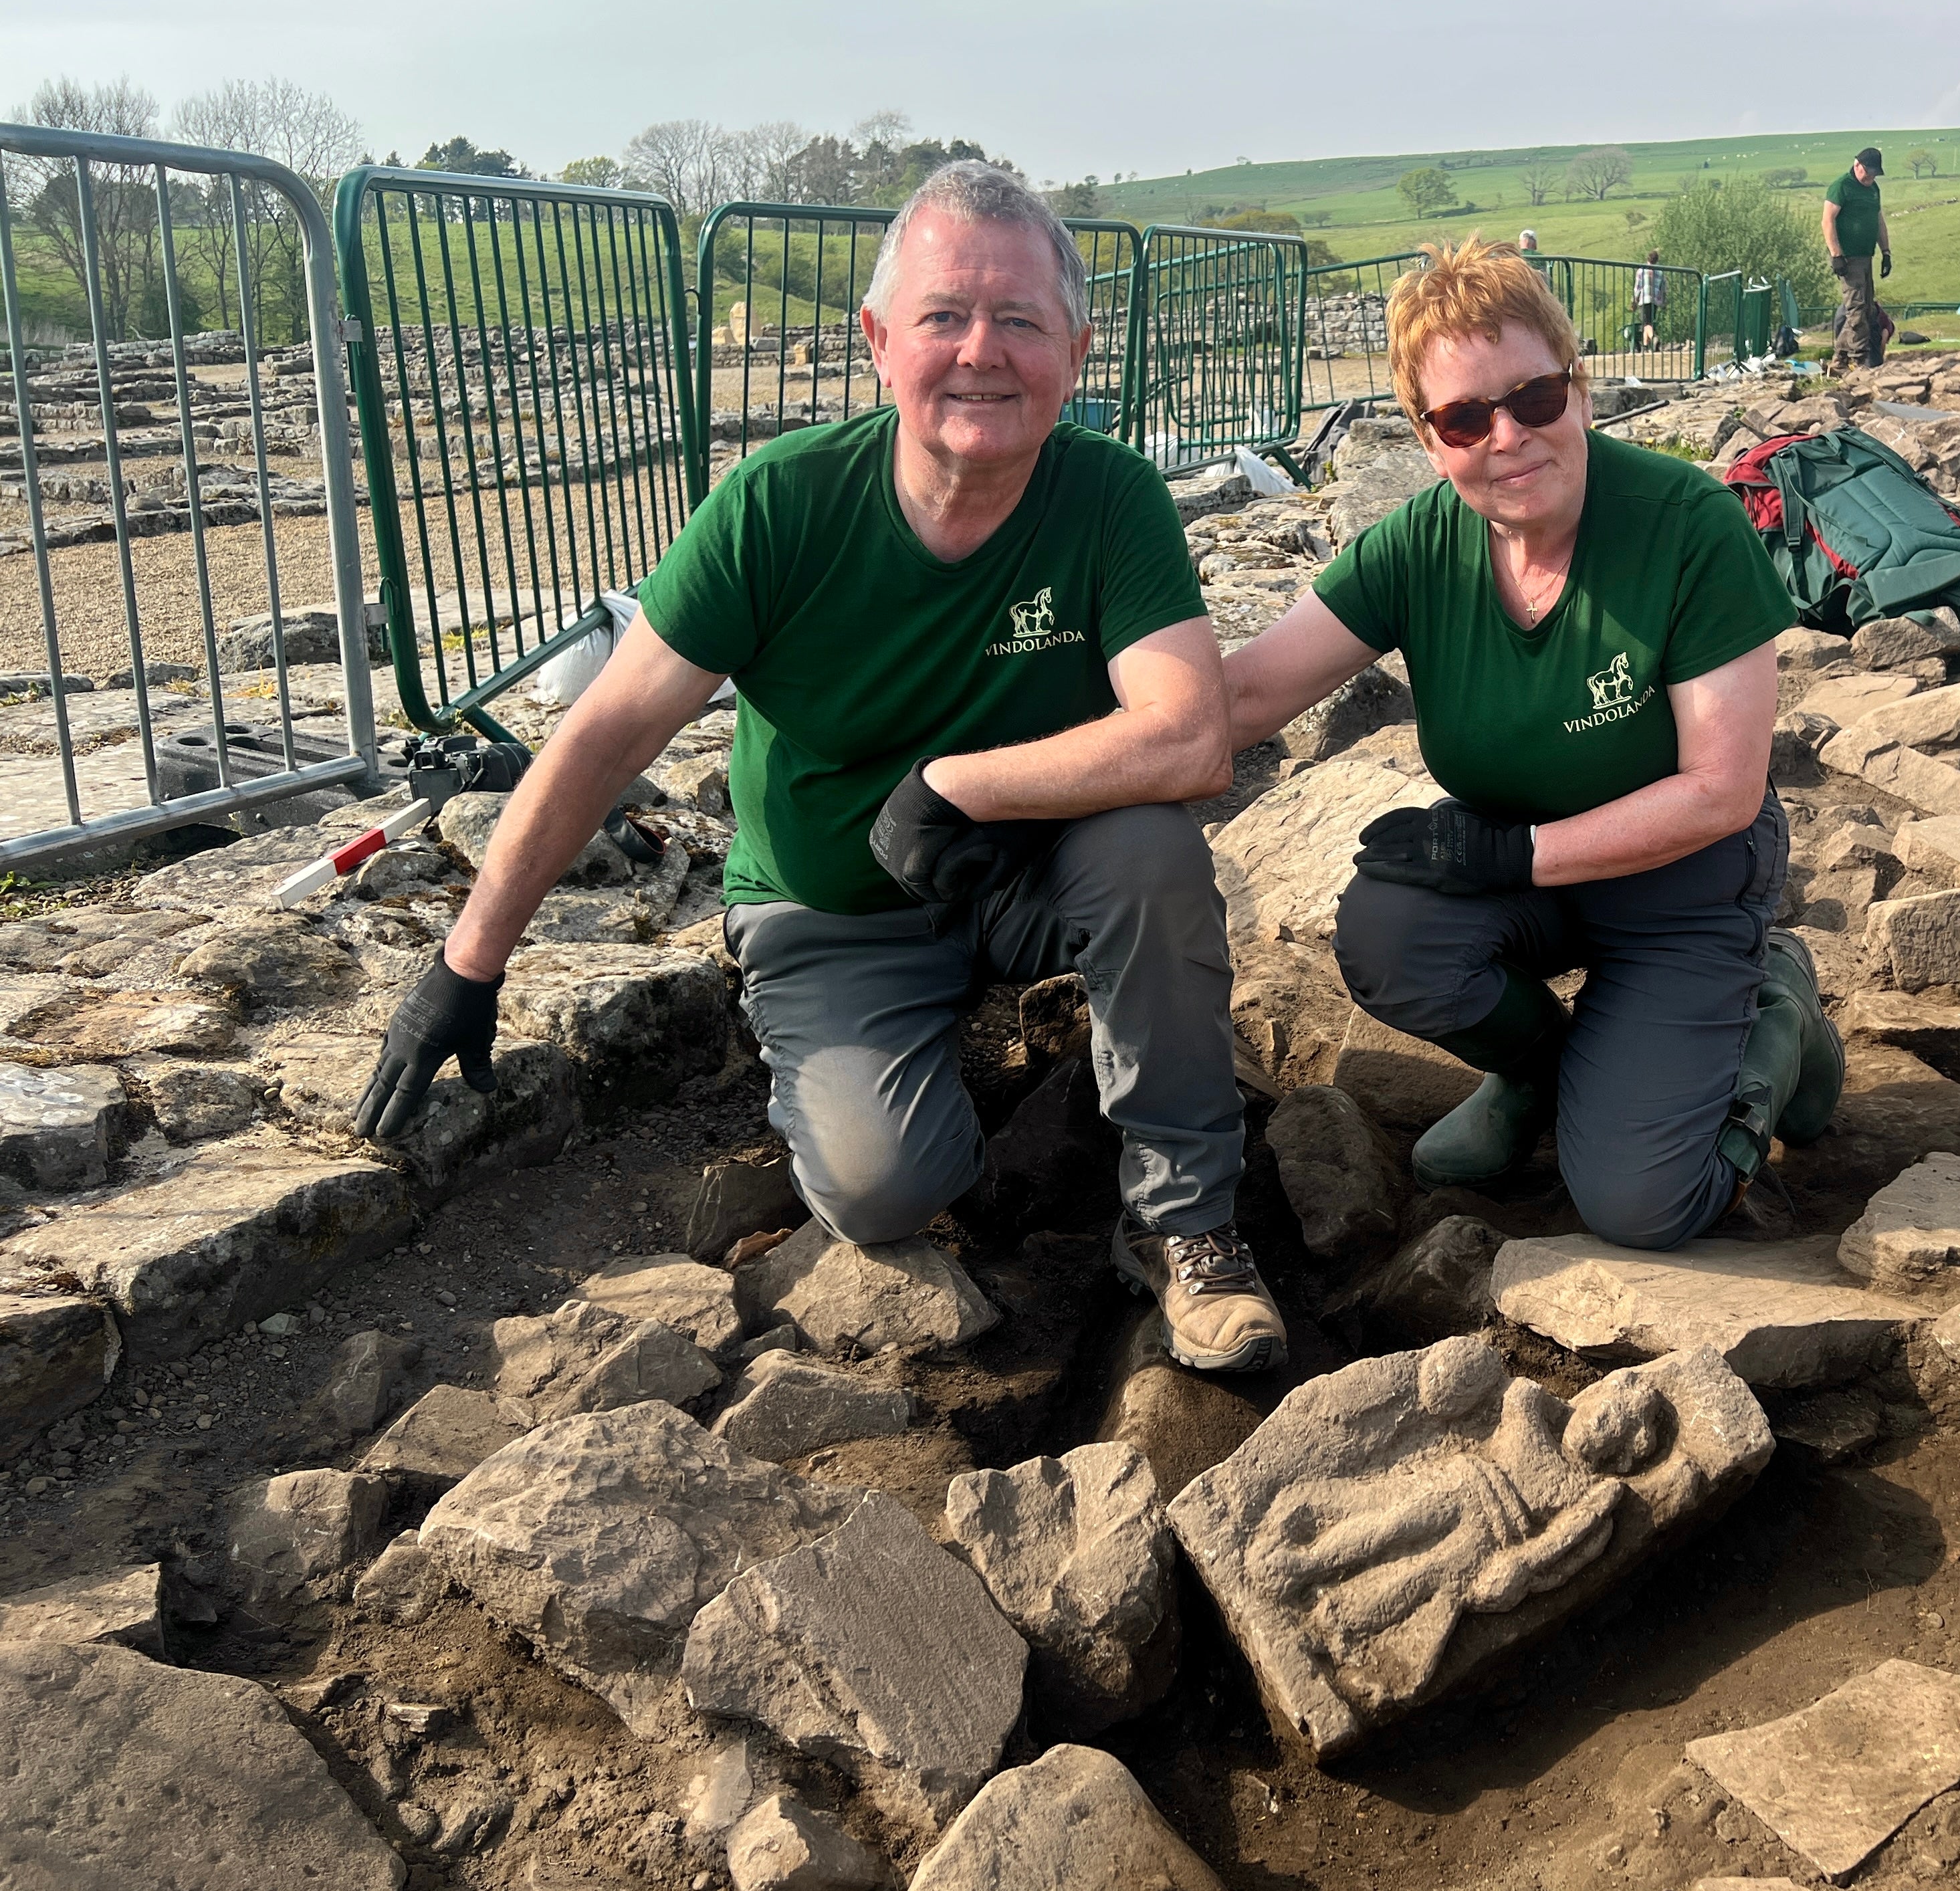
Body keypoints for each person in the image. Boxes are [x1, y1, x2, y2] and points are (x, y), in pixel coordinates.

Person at [352, 162, 1289, 1375]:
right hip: (832, 907)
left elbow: (1187, 734)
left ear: (1076, 345)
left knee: (1152, 849)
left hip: (1022, 867)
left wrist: (961, 786)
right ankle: (937, 1050)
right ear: (878, 340)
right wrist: (466, 961)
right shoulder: (779, 506)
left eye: (1019, 320)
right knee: (887, 1188)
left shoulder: (1108, 496)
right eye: (945, 315)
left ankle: (1183, 1224)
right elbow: (605, 731)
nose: (980, 352)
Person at [1222, 238, 1846, 1251]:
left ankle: (1774, 1009)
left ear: (1580, 389)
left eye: (1535, 398)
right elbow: (1243, 692)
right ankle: (1542, 1074)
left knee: (1641, 1205)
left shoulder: (1686, 523)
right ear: (1430, 441)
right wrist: (1015, 744)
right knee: (1393, 935)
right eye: (1466, 417)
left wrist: (1510, 857)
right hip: (1533, 878)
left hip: (1686, 880)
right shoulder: (1420, 544)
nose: (1507, 436)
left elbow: (1723, 791)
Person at [1822, 148, 1891, 372]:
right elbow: (1828, 221)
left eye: (1874, 174)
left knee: (1868, 309)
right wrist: (1836, 255)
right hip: (1848, 258)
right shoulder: (1842, 186)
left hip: (1866, 255)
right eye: (1868, 172)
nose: (1870, 177)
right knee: (1857, 308)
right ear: (1857, 165)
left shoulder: (1873, 190)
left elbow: (1878, 221)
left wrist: (1886, 252)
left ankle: (1840, 359)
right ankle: (1859, 360)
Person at [1632, 250, 1666, 350]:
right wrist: (1663, 301)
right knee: (1649, 323)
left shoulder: (1641, 271)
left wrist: (1635, 300)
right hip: (1655, 300)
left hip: (1644, 299)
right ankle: (1645, 347)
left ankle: (1654, 337)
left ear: (1648, 259)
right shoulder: (1660, 272)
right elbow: (1663, 288)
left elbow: (1637, 288)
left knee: (1646, 323)